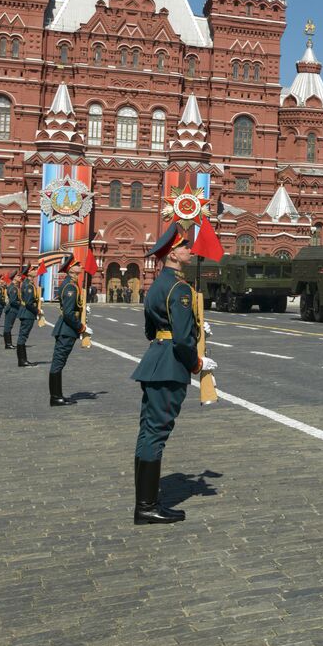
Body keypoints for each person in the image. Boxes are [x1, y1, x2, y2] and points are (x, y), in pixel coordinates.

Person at [130, 224, 205, 525]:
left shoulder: (156, 285)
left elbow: (150, 329)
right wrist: (195, 363)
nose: (190, 250)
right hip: (171, 364)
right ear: (172, 254)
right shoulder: (180, 288)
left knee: (148, 431)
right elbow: (184, 339)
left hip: (155, 359)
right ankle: (147, 507)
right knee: (156, 433)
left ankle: (146, 503)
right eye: (185, 247)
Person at [49, 253, 89, 406]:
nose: (80, 266)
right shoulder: (70, 286)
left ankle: (57, 395)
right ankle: (55, 397)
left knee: (60, 362)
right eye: (77, 264)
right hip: (66, 329)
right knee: (58, 362)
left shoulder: (70, 284)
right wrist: (80, 327)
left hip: (66, 329)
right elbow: (68, 313)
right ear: (71, 269)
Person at [15, 265, 39, 367]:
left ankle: (22, 360)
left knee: (22, 336)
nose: (36, 271)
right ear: (29, 272)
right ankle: (22, 360)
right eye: (34, 269)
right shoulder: (29, 285)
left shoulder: (26, 283)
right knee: (23, 336)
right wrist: (37, 311)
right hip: (28, 313)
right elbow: (29, 303)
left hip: (25, 312)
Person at [2, 271, 20, 349]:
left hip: (11, 309)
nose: (20, 277)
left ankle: (8, 344)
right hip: (12, 309)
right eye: (18, 276)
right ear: (14, 278)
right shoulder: (13, 288)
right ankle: (8, 344)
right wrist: (21, 304)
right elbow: (13, 301)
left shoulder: (12, 286)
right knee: (8, 326)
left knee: (8, 326)